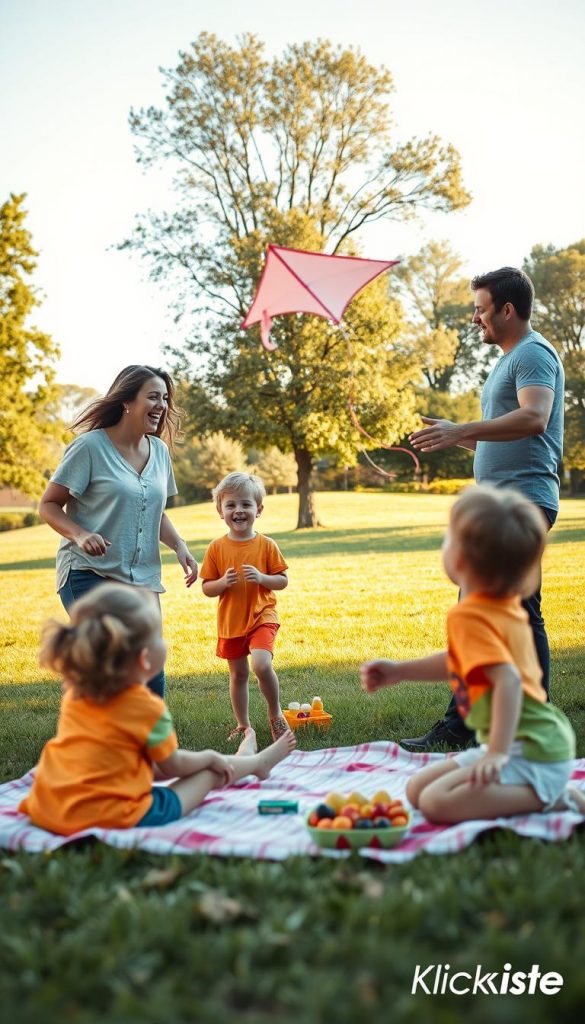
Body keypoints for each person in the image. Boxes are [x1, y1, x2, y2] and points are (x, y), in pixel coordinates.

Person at [403, 267, 564, 750]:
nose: (475, 318)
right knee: (510, 609)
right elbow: (510, 435)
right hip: (507, 502)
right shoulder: (510, 358)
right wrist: (459, 436)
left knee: (488, 608)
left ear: (507, 310)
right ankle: (510, 721)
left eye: (480, 308)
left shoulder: (533, 353)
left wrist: (461, 430)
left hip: (521, 504)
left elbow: (534, 418)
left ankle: (471, 723)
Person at [361, 487, 583, 823]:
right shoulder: (500, 606)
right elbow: (460, 661)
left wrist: (497, 752)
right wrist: (401, 671)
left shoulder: (474, 615)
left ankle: (550, 798)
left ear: (461, 560)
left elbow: (506, 678)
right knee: (416, 790)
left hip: (530, 748)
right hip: (523, 742)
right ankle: (545, 790)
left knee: (436, 803)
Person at [19, 583, 296, 836]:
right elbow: (170, 767)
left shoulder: (75, 695)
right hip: (114, 816)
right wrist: (209, 757)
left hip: (48, 808)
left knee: (193, 764)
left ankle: (245, 760)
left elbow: (145, 768)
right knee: (209, 771)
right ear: (144, 659)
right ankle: (256, 764)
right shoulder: (146, 707)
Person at [39, 364, 199, 698]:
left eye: (165, 398)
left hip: (142, 576)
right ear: (127, 401)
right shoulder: (90, 448)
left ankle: (149, 747)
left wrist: (179, 546)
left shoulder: (159, 453)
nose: (161, 405)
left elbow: (154, 511)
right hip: (88, 572)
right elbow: (49, 505)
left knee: (150, 667)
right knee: (114, 661)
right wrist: (80, 535)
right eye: (153, 396)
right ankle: (92, 739)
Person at [199, 472, 291, 751]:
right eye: (231, 505)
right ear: (220, 511)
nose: (238, 510)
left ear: (258, 510)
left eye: (246, 504)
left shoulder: (266, 545)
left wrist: (263, 578)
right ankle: (243, 724)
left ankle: (275, 714)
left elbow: (283, 580)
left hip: (262, 616)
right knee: (238, 675)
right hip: (231, 622)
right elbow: (206, 587)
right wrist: (221, 583)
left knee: (261, 665)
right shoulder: (216, 548)